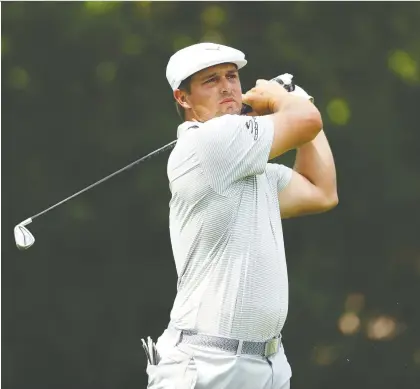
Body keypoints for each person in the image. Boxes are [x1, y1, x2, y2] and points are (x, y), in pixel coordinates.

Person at [145, 42, 338, 389]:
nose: (227, 87)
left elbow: (321, 191)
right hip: (205, 366)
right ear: (183, 98)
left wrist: (297, 100)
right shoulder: (210, 142)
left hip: (267, 364)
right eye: (210, 80)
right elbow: (306, 122)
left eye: (232, 76)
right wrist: (286, 98)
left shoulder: (250, 165)